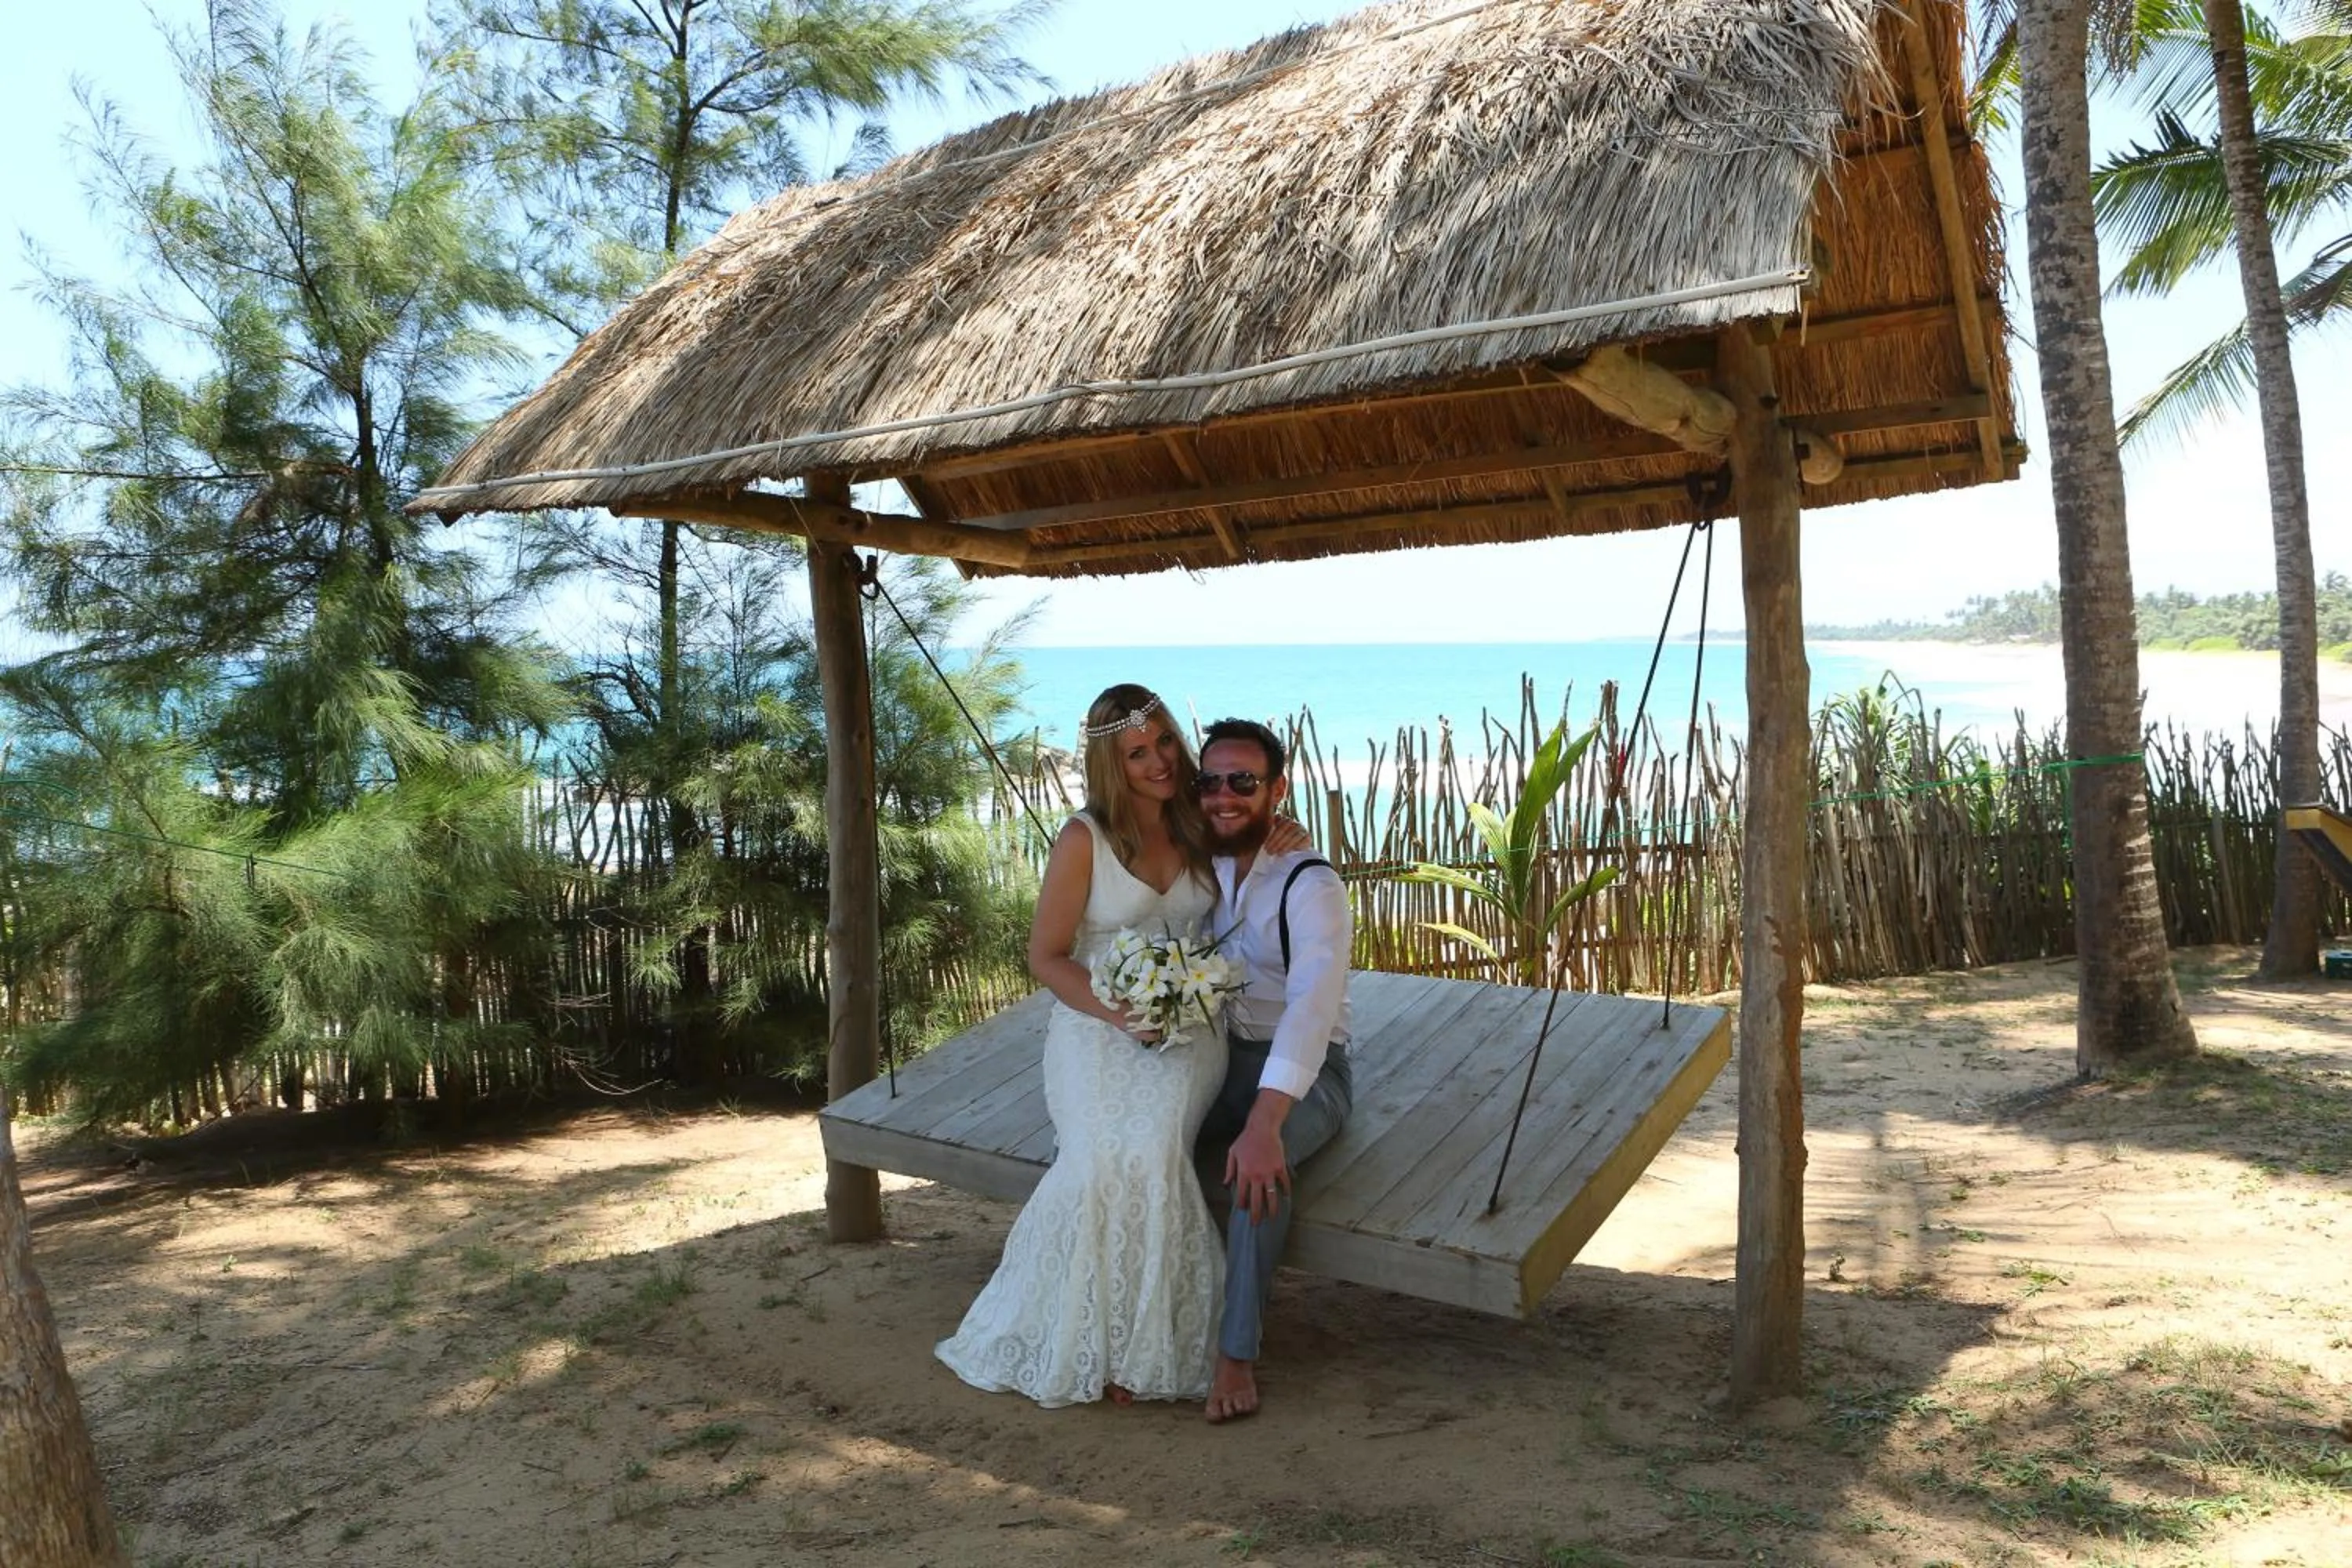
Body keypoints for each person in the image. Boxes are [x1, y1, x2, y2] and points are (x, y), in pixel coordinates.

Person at [934, 683, 1231, 1407]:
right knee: (1101, 1155)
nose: (1160, 761)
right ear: (1112, 763)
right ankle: (1091, 1342)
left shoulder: (1201, 820)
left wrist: (1283, 835)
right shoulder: (1083, 839)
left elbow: (1263, 850)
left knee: (1155, 1146)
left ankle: (1148, 1349)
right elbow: (1047, 957)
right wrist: (1118, 1013)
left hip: (1191, 1022)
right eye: (1138, 752)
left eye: (1164, 742)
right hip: (1095, 1022)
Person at [1192, 717, 1354, 1424]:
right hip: (1216, 1055)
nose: (1226, 795)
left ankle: (1237, 1351)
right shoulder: (1196, 862)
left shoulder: (1310, 885)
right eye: (1212, 781)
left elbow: (1311, 1012)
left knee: (1261, 1170)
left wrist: (1265, 1122)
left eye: (1244, 782)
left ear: (1277, 790)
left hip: (1307, 1069)